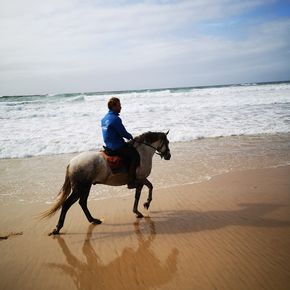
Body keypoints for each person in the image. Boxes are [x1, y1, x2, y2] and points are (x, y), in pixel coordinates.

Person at [101, 97, 140, 189]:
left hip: (108, 146)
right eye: (119, 105)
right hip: (117, 146)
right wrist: (131, 137)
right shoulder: (115, 119)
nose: (121, 107)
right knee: (135, 156)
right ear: (113, 107)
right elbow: (123, 133)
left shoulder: (104, 118)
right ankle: (131, 182)